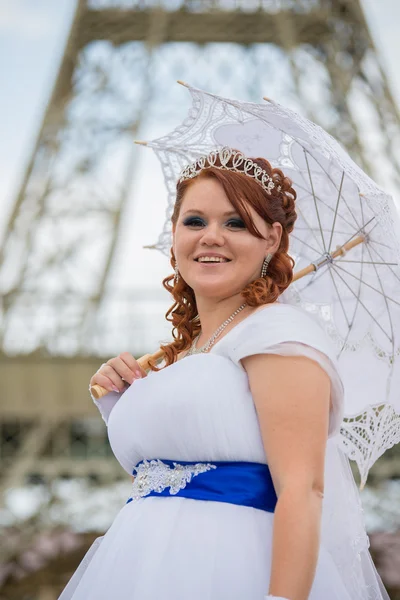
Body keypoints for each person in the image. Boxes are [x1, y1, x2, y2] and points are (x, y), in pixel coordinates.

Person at [59, 149, 390, 600]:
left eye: (235, 223)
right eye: (195, 221)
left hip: (237, 569)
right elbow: (173, 478)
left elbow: (303, 488)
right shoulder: (187, 354)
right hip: (139, 567)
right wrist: (124, 401)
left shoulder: (279, 334)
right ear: (174, 235)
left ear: (272, 238)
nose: (211, 237)